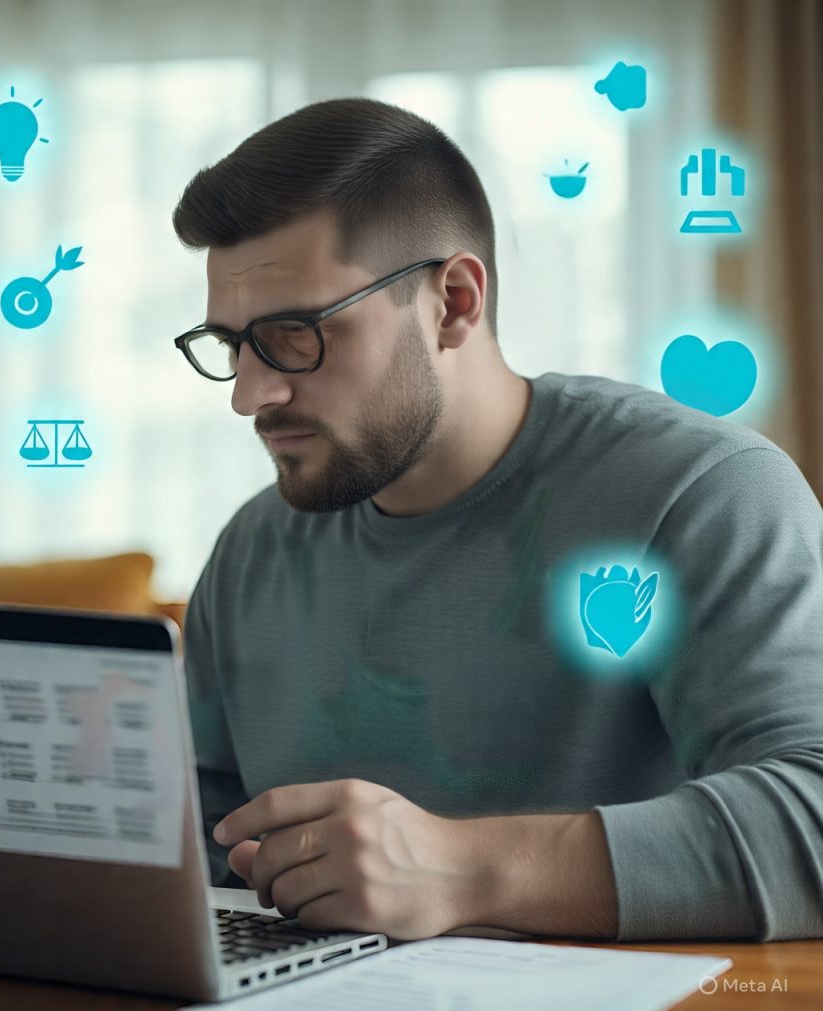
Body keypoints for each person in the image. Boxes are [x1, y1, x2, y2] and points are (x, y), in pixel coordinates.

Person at [171, 97, 823, 942]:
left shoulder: (703, 491)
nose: (249, 394)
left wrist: (465, 870)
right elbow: (195, 842)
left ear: (453, 302)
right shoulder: (253, 549)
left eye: (294, 334)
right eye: (230, 345)